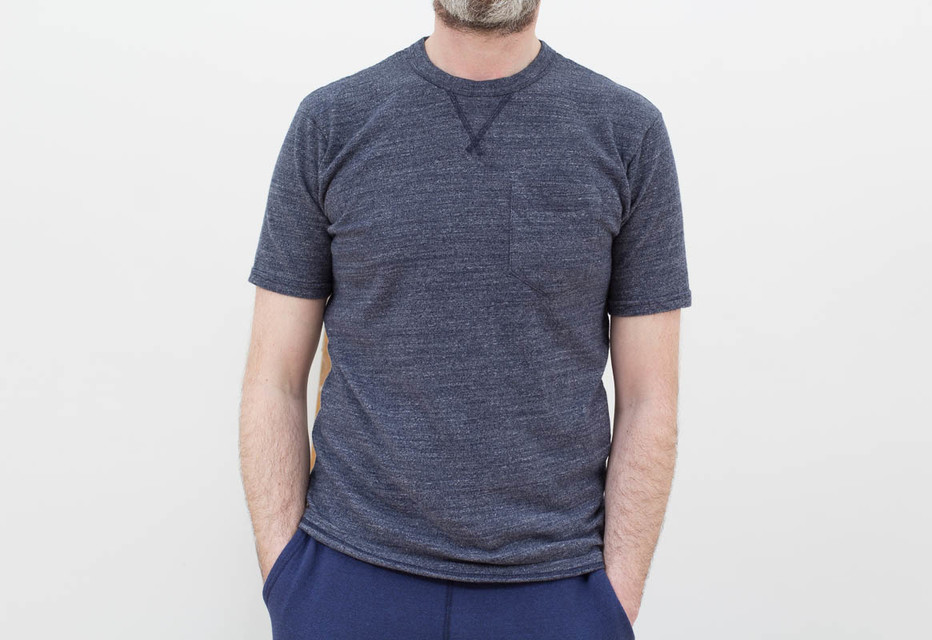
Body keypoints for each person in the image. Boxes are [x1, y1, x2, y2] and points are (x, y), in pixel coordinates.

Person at [238, 1, 691, 637]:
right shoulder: (332, 122)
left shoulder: (627, 132)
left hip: (556, 588)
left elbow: (650, 397)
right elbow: (273, 378)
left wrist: (615, 599)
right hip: (347, 577)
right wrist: (288, 580)